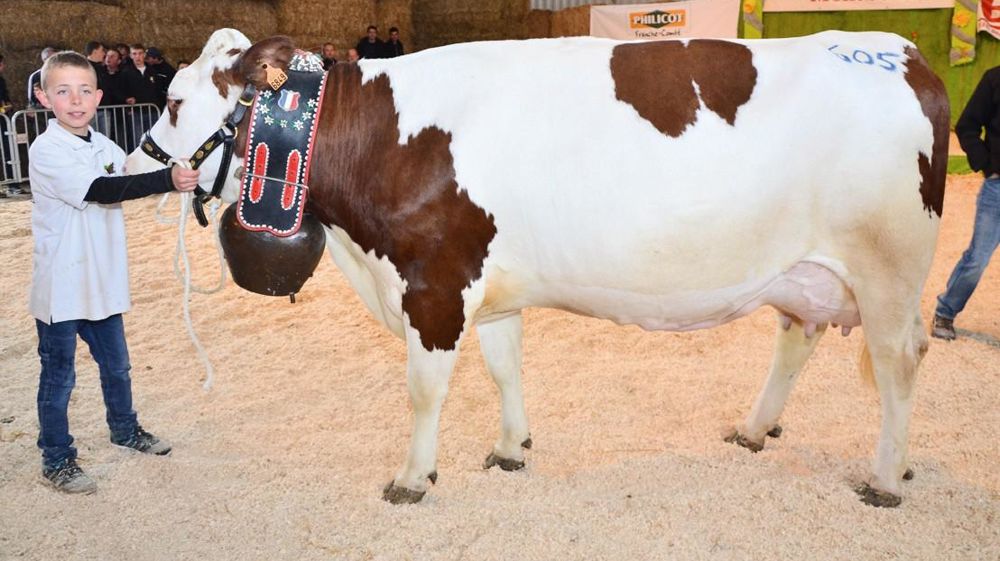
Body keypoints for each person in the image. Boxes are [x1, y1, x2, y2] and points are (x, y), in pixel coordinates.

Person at [28, 51, 201, 494]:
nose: (76, 99)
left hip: (102, 281)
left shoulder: (105, 148)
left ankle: (125, 429)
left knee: (118, 367)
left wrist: (185, 154)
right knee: (59, 376)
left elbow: (132, 170)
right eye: (63, 91)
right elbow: (103, 190)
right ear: (44, 98)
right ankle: (57, 458)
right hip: (64, 286)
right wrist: (167, 179)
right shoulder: (46, 149)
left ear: (100, 96)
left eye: (85, 90)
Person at [932, 64, 1000, 341]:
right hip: (997, 189)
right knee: (977, 259)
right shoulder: (995, 78)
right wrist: (986, 164)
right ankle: (945, 312)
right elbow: (967, 125)